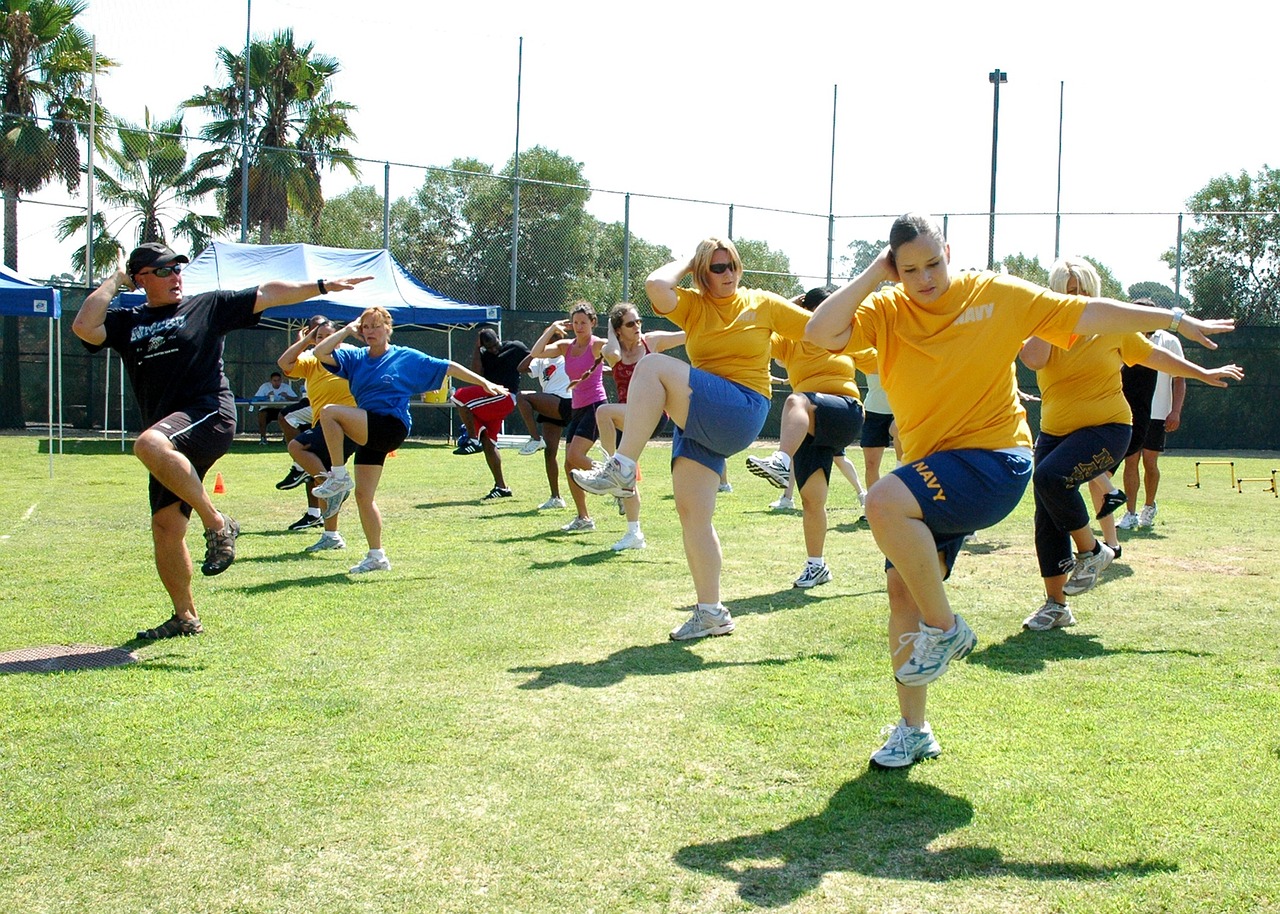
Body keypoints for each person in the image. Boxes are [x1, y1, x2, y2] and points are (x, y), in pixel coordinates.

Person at [804, 214, 1235, 769]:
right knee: (901, 593)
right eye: (910, 269)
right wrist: (874, 275)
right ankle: (914, 730)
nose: (926, 278)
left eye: (934, 263)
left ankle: (949, 628)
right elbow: (819, 334)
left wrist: (1172, 316)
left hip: (993, 461)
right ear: (895, 267)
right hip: (929, 473)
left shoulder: (995, 293)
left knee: (881, 500)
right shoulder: (887, 309)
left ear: (949, 252)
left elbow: (1090, 313)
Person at [71, 241, 371, 638]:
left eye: (178, 268)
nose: (176, 276)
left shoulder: (205, 306)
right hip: (170, 434)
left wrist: (320, 285)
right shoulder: (129, 320)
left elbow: (267, 293)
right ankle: (185, 616)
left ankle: (218, 523)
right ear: (140, 278)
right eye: (163, 271)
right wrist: (113, 281)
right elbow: (84, 327)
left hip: (208, 413)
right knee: (165, 527)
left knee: (147, 445)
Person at [572, 238, 812, 639]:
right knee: (693, 517)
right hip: (701, 413)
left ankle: (623, 467)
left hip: (742, 407)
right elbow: (655, 285)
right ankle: (711, 612)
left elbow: (817, 328)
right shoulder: (694, 305)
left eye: (733, 264)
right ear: (702, 272)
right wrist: (691, 259)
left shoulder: (762, 303)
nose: (728, 274)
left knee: (651, 367)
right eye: (717, 267)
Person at [1019, 259, 1242, 632]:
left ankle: (1092, 551)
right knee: (1048, 515)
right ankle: (1056, 606)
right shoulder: (1047, 329)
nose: (1075, 298)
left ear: (1094, 292)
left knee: (1050, 478)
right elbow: (1032, 358)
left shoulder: (1112, 328)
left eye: (1081, 291)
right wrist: (1053, 317)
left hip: (1109, 428)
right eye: (1067, 292)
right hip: (1055, 434)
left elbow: (1155, 356)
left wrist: (1202, 373)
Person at [310, 307, 507, 573]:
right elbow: (319, 352)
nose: (369, 332)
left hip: (391, 426)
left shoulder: (404, 356)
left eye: (375, 326)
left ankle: (337, 475)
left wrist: (484, 382)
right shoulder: (355, 357)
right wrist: (346, 329)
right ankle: (376, 556)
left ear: (388, 328)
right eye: (365, 327)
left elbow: (448, 366)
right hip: (369, 427)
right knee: (363, 496)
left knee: (330, 413)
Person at [745, 287, 866, 588]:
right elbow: (759, 325)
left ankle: (781, 461)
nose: (829, 316)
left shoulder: (844, 335)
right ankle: (817, 566)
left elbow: (881, 357)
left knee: (794, 401)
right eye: (821, 310)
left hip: (845, 412)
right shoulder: (791, 341)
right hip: (813, 424)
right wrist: (791, 303)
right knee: (812, 500)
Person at [596, 302, 686, 551]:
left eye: (638, 322)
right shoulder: (612, 351)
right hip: (629, 419)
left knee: (603, 412)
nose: (637, 327)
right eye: (629, 324)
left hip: (654, 414)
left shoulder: (651, 342)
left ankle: (609, 468)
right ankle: (634, 533)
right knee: (628, 477)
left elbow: (685, 336)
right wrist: (611, 332)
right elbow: (611, 349)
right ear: (617, 330)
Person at [277, 315, 359, 551]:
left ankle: (335, 484)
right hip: (322, 425)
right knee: (322, 481)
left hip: (346, 423)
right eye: (318, 337)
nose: (323, 341)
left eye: (327, 337)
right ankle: (331, 535)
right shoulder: (311, 361)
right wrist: (305, 342)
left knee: (296, 446)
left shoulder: (349, 356)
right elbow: (284, 363)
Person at [529, 302, 608, 532]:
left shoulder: (597, 345)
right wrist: (552, 328)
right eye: (575, 323)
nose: (579, 326)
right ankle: (584, 518)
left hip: (596, 406)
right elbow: (535, 353)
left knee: (575, 455)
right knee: (568, 465)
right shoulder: (565, 346)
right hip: (577, 408)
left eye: (584, 322)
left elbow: (617, 351)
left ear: (593, 322)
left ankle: (615, 479)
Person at [1118, 316, 1188, 530]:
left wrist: (1175, 411)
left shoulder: (1169, 341)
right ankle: (1130, 512)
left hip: (1157, 414)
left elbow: (1180, 377)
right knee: (1131, 462)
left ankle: (1149, 507)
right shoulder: (1124, 337)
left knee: (1150, 462)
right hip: (1129, 412)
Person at [453, 327, 529, 500]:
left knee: (458, 397)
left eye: (495, 345)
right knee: (488, 441)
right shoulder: (484, 355)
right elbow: (475, 376)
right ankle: (501, 487)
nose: (494, 350)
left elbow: (532, 358)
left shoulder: (515, 347)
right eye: (489, 347)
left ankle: (472, 439)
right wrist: (476, 349)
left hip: (505, 397)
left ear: (499, 338)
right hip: (491, 400)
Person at [515, 341, 572, 510]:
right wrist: (535, 352)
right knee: (550, 453)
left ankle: (534, 438)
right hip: (550, 406)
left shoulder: (567, 357)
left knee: (522, 396)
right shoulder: (541, 361)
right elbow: (521, 368)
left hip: (565, 402)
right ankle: (556, 498)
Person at [249, 371, 297, 443]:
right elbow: (256, 399)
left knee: (289, 415)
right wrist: (266, 397)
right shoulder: (265, 387)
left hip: (281, 409)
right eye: (274, 380)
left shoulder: (286, 387)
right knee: (262, 415)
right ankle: (263, 438)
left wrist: (287, 396)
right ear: (271, 381)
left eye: (278, 380)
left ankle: (286, 438)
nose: (276, 382)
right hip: (267, 409)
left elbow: (296, 399)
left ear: (281, 380)